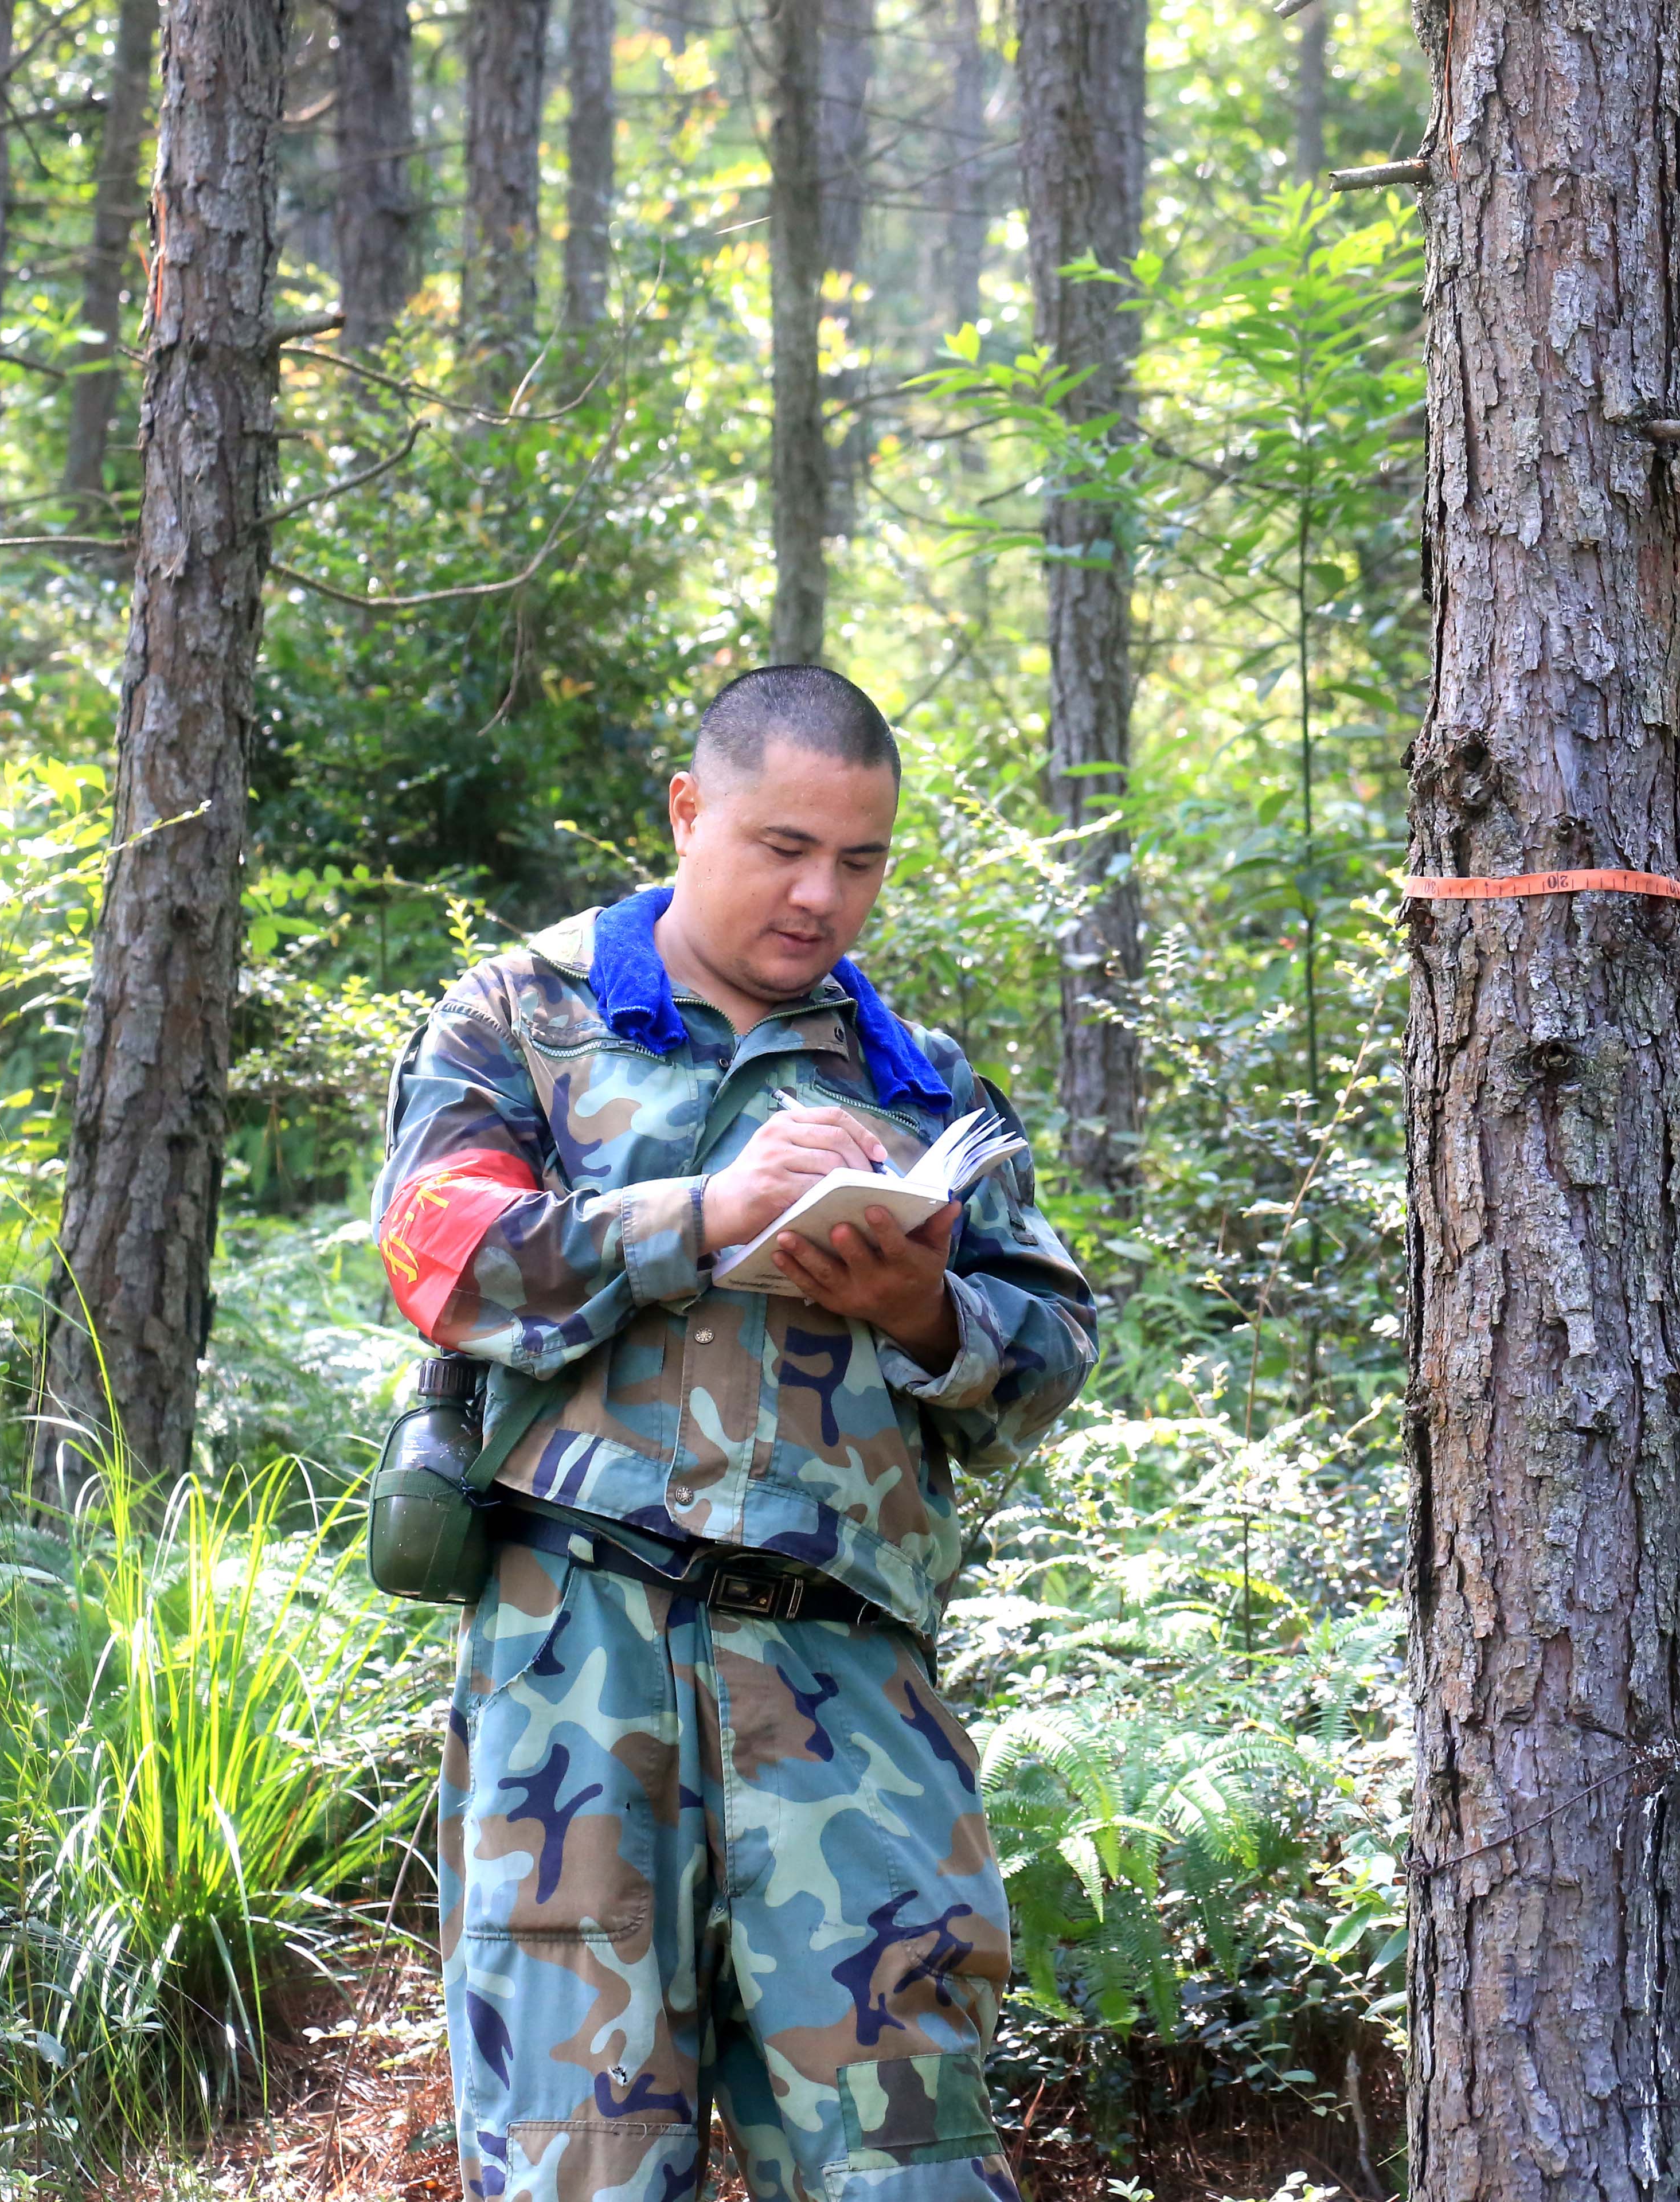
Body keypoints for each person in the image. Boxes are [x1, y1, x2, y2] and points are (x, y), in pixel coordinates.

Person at [374, 665, 1096, 2202]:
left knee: (909, 2162)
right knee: (580, 2161)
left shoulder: (922, 1083)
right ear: (689, 811)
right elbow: (438, 1253)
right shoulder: (526, 1014)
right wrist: (703, 1215)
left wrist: (926, 1314)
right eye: (782, 847)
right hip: (575, 1652)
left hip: (844, 1683)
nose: (821, 895)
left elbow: (1052, 1348)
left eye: (861, 860)